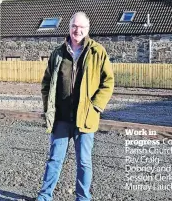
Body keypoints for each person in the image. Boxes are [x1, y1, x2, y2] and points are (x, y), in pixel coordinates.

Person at [37, 12, 114, 201]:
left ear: (87, 29)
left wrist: (96, 106)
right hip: (61, 118)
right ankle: (45, 196)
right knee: (54, 160)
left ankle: (83, 198)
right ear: (69, 27)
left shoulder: (97, 52)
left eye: (81, 27)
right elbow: (46, 82)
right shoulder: (58, 53)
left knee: (84, 162)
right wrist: (49, 107)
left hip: (86, 118)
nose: (77, 30)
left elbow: (108, 82)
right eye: (74, 26)